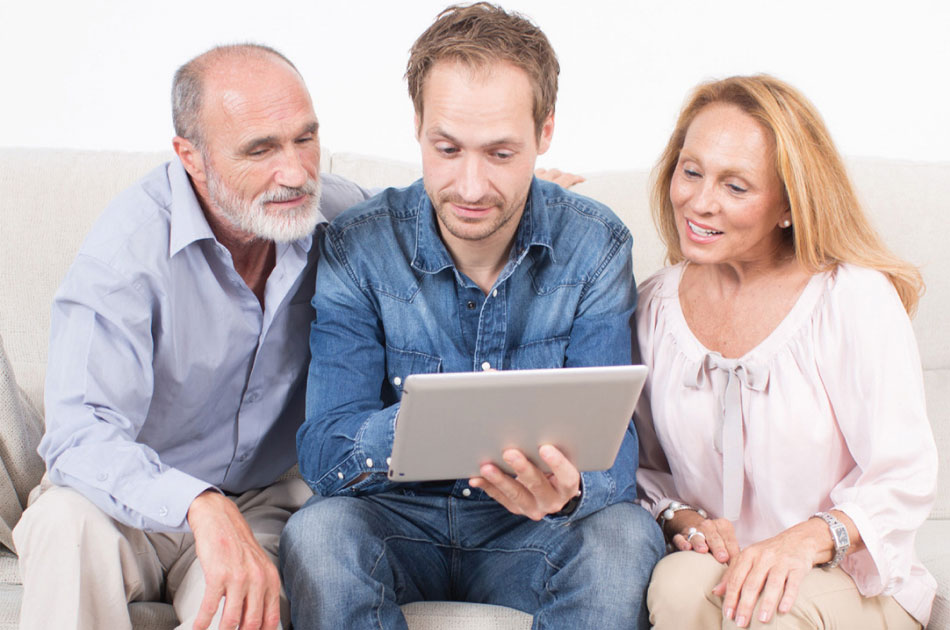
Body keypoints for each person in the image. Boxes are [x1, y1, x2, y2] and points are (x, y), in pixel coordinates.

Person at [280, 3, 665, 628]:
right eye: (448, 148)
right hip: (395, 518)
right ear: (417, 127)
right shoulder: (359, 245)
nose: (471, 185)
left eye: (501, 154)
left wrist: (569, 493)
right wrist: (424, 426)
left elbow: (616, 453)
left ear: (545, 135)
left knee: (624, 540)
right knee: (317, 535)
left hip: (531, 532)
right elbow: (324, 451)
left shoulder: (595, 245)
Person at [12, 44, 375, 630]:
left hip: (258, 504)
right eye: (260, 149)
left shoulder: (338, 215)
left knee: (249, 602)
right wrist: (195, 502)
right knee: (64, 527)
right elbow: (78, 436)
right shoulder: (126, 251)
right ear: (191, 158)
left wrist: (520, 191)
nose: (295, 172)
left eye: (304, 139)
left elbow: (431, 221)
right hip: (117, 505)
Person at [635, 74, 938, 629]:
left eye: (736, 186)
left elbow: (905, 475)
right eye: (691, 170)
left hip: (850, 578)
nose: (699, 202)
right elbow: (641, 467)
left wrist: (803, 541)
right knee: (676, 584)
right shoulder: (653, 308)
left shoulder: (851, 299)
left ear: (788, 206)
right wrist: (678, 517)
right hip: (727, 571)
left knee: (766, 618)